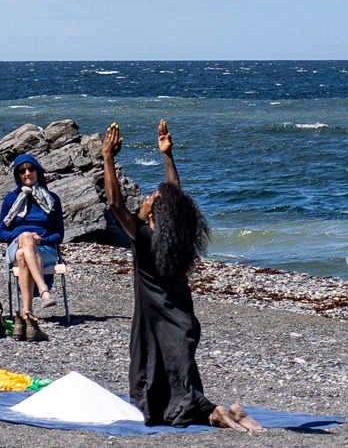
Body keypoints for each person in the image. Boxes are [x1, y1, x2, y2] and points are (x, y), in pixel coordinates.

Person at [104, 121, 260, 429]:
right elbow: (175, 195)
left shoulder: (146, 242)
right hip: (179, 321)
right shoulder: (177, 242)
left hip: (161, 324)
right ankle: (219, 414)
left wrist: (107, 157)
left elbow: (115, 203)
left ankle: (213, 411)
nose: (148, 198)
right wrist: (167, 155)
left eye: (151, 199)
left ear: (156, 214)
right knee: (175, 377)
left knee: (161, 378)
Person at [0, 152, 67, 340]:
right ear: (17, 175)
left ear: (38, 171)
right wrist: (21, 235)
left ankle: (27, 316)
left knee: (23, 254)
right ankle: (44, 290)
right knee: (25, 240)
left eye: (31, 169)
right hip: (17, 243)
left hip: (45, 248)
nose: (27, 173)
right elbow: (1, 233)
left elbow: (59, 235)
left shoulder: (52, 198)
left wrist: (40, 240)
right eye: (22, 171)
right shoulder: (10, 199)